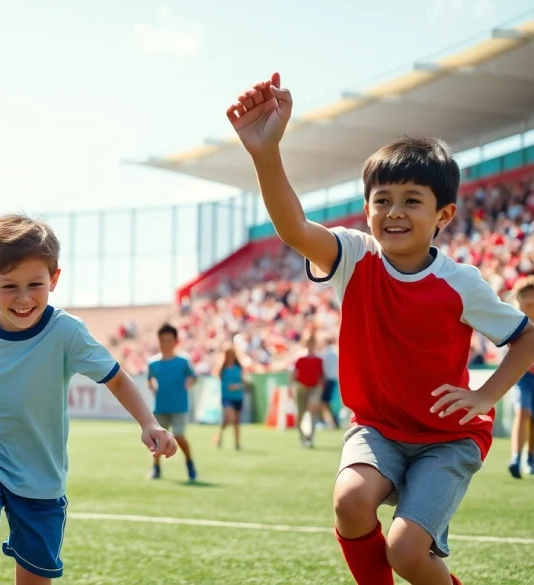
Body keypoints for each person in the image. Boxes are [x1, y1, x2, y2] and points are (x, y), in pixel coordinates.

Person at [228, 72, 534, 585]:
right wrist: (265, 153)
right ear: (367, 209)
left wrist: (487, 397)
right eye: (382, 199)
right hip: (377, 429)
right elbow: (294, 229)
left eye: (412, 200)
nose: (393, 212)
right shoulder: (353, 256)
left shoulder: (461, 283)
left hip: (447, 439)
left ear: (444, 214)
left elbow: (527, 336)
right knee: (350, 502)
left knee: (407, 552)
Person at [0, 214, 178, 585]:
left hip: (39, 470)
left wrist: (149, 422)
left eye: (35, 284)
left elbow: (116, 379)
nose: (24, 297)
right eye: (9, 286)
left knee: (33, 577)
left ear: (54, 279)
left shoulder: (67, 332)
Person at [146, 323, 197, 480]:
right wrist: (152, 387)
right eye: (162, 340)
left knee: (179, 435)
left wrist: (188, 383)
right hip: (160, 406)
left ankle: (189, 462)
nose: (165, 344)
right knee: (157, 441)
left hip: (179, 405)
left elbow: (193, 376)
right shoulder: (153, 363)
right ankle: (156, 468)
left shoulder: (183, 361)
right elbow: (149, 380)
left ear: (175, 341)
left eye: (169, 340)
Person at [508, 276, 534, 478]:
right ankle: (516, 457)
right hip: (521, 374)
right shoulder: (514, 319)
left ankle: (530, 457)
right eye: (526, 303)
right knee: (522, 411)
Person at [213, 343, 247, 450]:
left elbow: (244, 382)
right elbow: (221, 382)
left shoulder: (239, 367)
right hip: (227, 397)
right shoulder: (222, 368)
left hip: (238, 396)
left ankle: (237, 443)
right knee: (229, 418)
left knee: (236, 421)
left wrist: (237, 386)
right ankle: (219, 434)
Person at [291, 337, 324, 447]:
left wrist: (320, 388)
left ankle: (310, 436)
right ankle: (302, 435)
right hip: (301, 387)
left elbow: (321, 375)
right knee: (300, 412)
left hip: (314, 388)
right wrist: (291, 388)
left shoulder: (319, 359)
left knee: (312, 411)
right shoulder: (300, 358)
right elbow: (294, 375)